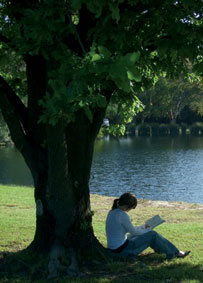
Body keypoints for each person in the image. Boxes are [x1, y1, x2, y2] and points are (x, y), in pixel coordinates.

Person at [105, 192, 190, 260]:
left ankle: (164, 251)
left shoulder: (112, 212)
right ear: (128, 206)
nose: (130, 210)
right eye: (131, 208)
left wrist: (143, 227)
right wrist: (148, 229)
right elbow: (134, 231)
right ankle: (175, 253)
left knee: (145, 233)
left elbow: (127, 229)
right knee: (152, 234)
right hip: (123, 251)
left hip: (115, 248)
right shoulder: (123, 215)